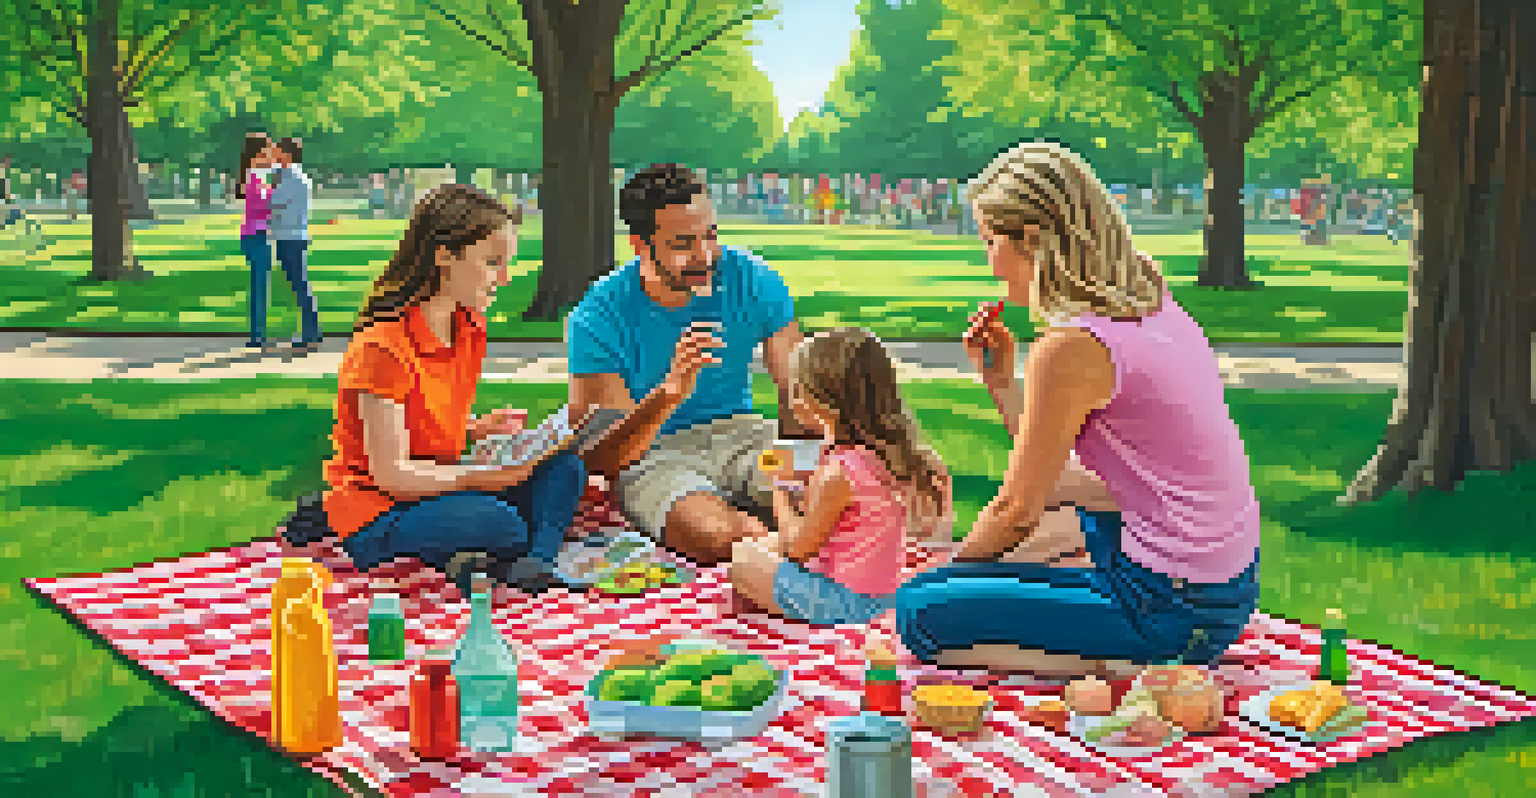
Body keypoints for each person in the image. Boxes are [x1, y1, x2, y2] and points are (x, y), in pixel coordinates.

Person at [893, 142, 1260, 678]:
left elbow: (1015, 512)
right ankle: (1117, 636)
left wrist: (948, 579)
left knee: (919, 612)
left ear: (1035, 240)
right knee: (1061, 517)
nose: (989, 260)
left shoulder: (1069, 350)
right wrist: (1002, 383)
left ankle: (1124, 664)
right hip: (1223, 580)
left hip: (1175, 604)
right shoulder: (1145, 291)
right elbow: (1060, 480)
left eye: (992, 241)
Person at [326, 184, 587, 594]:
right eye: (492, 262)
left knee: (563, 464)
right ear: (444, 256)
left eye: (507, 263)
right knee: (496, 521)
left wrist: (474, 430)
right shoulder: (382, 347)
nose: (504, 277)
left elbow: (419, 423)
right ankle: (512, 553)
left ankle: (533, 562)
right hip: (382, 511)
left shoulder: (468, 329)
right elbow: (392, 475)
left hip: (440, 488)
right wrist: (485, 475)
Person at [568, 163, 811, 568]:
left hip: (750, 443)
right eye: (683, 244)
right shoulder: (598, 316)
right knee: (715, 536)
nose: (704, 256)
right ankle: (785, 552)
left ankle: (783, 547)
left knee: (828, 502)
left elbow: (797, 401)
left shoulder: (753, 281)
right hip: (657, 455)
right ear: (641, 246)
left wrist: (804, 473)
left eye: (710, 236)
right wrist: (668, 394)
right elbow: (601, 458)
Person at [727, 328, 953, 625]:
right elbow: (845, 526)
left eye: (798, 387)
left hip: (846, 605)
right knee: (766, 543)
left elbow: (797, 550)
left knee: (743, 557)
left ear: (820, 399)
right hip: (882, 593)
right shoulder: (891, 455)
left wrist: (779, 488)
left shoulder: (840, 473)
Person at [267, 137, 323, 352]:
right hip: (289, 235)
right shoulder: (290, 176)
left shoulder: (292, 178)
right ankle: (310, 332)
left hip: (290, 237)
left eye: (277, 152)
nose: (273, 156)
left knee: (300, 286)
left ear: (287, 154)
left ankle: (310, 334)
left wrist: (263, 189)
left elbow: (273, 202)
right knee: (299, 285)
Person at [238, 133, 277, 351]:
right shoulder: (252, 177)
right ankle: (257, 335)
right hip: (255, 237)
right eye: (268, 150)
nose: (271, 154)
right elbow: (257, 208)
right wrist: (278, 201)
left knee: (261, 287)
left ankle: (258, 333)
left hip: (258, 235)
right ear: (258, 152)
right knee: (260, 287)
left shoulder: (257, 176)